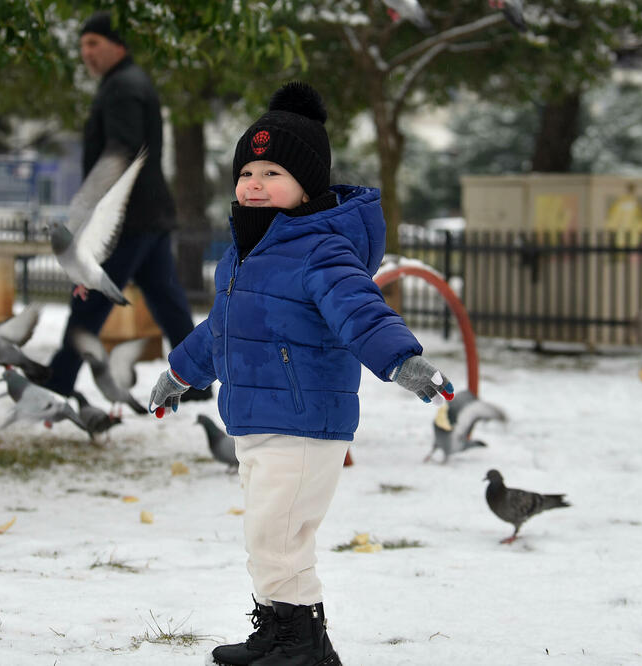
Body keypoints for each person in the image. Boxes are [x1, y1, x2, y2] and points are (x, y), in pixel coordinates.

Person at [148, 82, 455, 666]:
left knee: (278, 535)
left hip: (304, 419)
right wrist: (179, 374)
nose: (255, 184)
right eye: (248, 172)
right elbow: (222, 329)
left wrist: (401, 360)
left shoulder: (321, 249)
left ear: (306, 185)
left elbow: (360, 310)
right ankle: (284, 634)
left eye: (273, 172)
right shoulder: (245, 254)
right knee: (269, 536)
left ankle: (299, 644)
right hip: (259, 421)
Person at [42, 11, 209, 401]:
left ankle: (58, 379)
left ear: (117, 44)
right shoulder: (127, 82)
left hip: (127, 221)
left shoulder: (122, 87)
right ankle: (197, 382)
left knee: (90, 294)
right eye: (82, 44)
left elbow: (122, 150)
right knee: (168, 302)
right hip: (147, 215)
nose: (85, 53)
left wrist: (89, 205)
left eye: (93, 43)